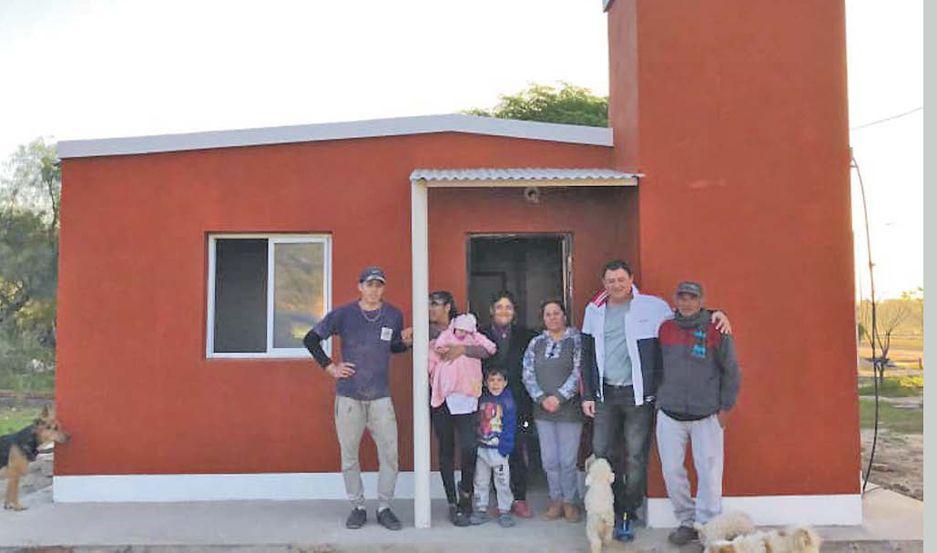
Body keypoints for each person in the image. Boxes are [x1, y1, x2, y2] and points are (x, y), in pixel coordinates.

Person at [580, 260, 730, 542]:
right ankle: (607, 510)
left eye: (621, 279)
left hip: (638, 396)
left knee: (636, 457)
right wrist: (587, 394)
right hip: (604, 395)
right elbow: (586, 355)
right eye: (610, 280)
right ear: (604, 283)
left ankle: (628, 512)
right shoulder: (593, 310)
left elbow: (685, 316)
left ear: (631, 279)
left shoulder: (652, 306)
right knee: (602, 454)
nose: (616, 285)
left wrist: (715, 314)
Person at [302, 266, 412, 531]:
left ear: (383, 288)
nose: (374, 289)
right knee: (349, 456)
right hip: (349, 396)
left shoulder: (393, 314)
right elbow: (311, 339)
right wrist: (330, 367)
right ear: (360, 287)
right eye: (369, 284)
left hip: (380, 396)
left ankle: (384, 507)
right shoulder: (344, 314)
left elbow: (393, 346)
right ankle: (358, 507)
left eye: (378, 285)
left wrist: (407, 342)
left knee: (390, 455)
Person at [655, 281, 741, 546]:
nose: (686, 302)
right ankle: (686, 521)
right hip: (670, 413)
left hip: (707, 415)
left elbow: (731, 370)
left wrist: (725, 408)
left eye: (692, 297)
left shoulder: (717, 328)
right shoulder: (665, 328)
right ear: (676, 300)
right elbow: (655, 365)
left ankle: (708, 526)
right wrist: (659, 399)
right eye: (682, 297)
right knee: (671, 471)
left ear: (701, 300)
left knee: (710, 474)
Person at [427, 290, 492, 526]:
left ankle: (466, 493)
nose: (431, 308)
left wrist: (462, 349)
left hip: (466, 396)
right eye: (429, 304)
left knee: (469, 446)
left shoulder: (465, 327)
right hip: (440, 397)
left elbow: (486, 349)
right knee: (446, 449)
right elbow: (406, 343)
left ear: (448, 306)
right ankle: (452, 503)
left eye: (435, 304)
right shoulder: (426, 330)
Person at [522, 300, 584, 523]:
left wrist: (559, 397)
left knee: (568, 460)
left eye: (556, 313)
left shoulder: (576, 340)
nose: (552, 317)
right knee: (549, 459)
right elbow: (527, 372)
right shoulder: (536, 343)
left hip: (569, 411)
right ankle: (555, 499)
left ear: (564, 315)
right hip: (543, 411)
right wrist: (541, 398)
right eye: (548, 314)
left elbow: (579, 372)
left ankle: (570, 501)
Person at [479, 291, 538, 518]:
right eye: (499, 307)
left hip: (518, 400)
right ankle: (499, 499)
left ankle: (519, 498)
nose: (504, 311)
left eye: (508, 307)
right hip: (490, 401)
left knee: (517, 449)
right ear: (492, 310)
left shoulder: (527, 336)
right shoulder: (480, 334)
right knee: (492, 449)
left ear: (514, 312)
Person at [470, 367, 518, 528]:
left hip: (499, 450)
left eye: (499, 380)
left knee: (502, 481)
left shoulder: (508, 402)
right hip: (482, 448)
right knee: (480, 480)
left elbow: (510, 425)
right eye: (491, 380)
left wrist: (506, 447)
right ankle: (481, 508)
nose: (495, 384)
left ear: (505, 382)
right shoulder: (481, 399)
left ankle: (505, 510)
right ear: (486, 383)